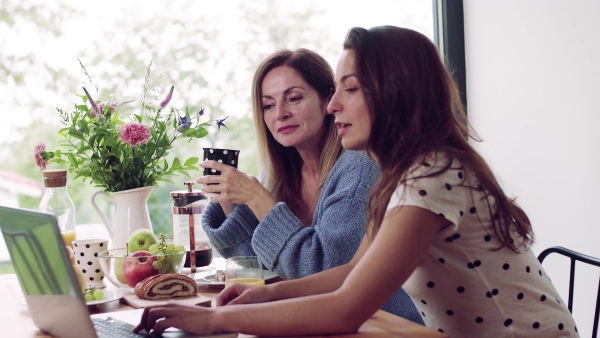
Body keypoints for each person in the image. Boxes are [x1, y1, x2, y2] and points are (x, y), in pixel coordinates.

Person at [134, 26, 578, 337]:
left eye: (348, 89)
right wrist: (264, 298)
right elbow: (348, 274)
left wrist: (215, 322)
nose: (332, 107)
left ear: (392, 93)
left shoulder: (433, 177)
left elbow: (347, 308)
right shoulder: (404, 175)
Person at [196, 48, 421, 322]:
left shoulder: (359, 167)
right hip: (316, 321)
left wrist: (257, 198)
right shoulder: (279, 172)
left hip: (382, 324)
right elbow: (262, 267)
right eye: (268, 105)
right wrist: (229, 199)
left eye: (294, 98)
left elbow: (327, 271)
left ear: (327, 99)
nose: (280, 113)